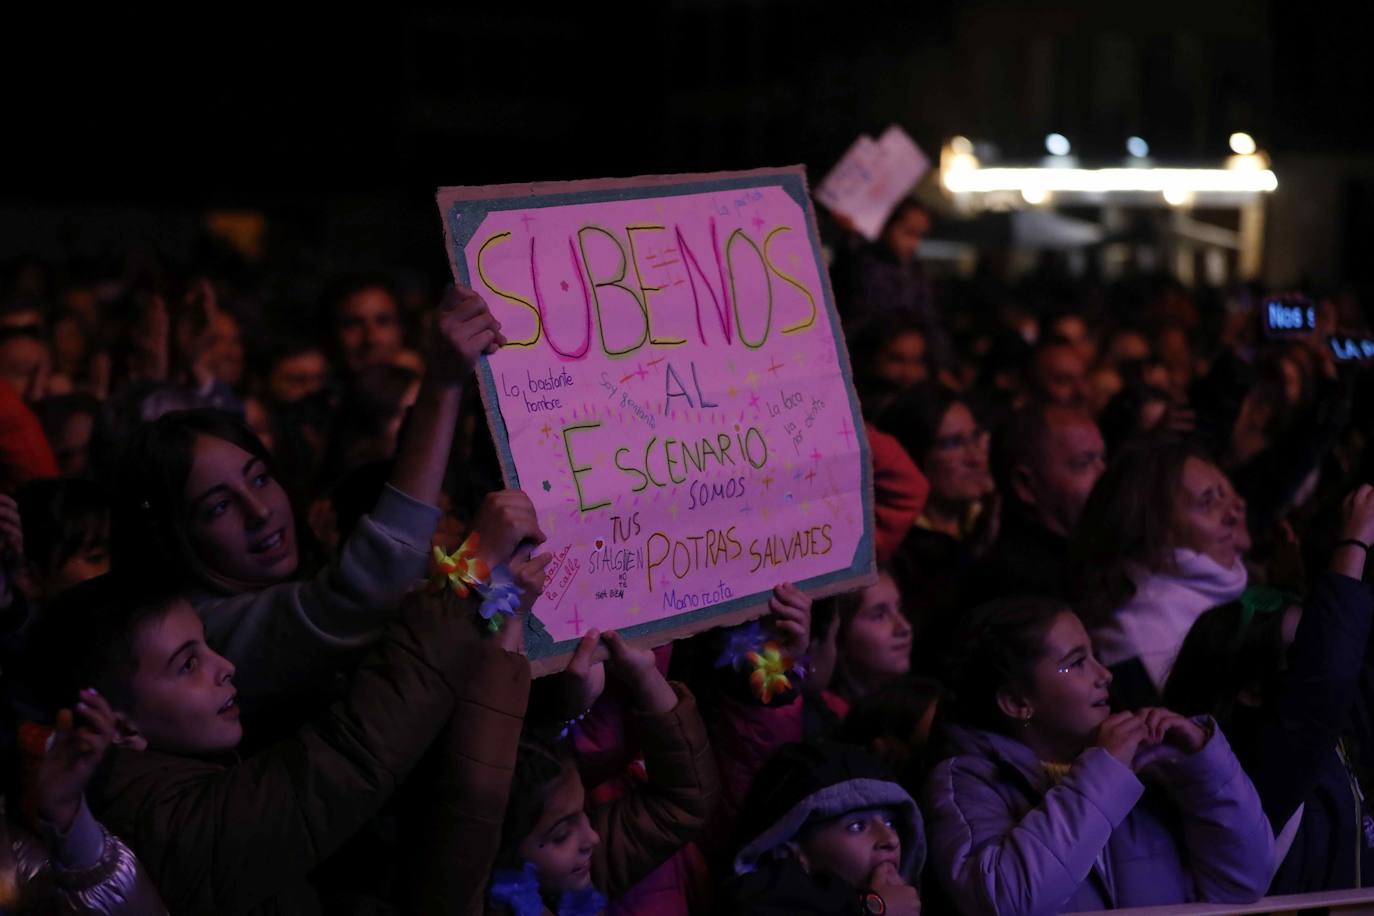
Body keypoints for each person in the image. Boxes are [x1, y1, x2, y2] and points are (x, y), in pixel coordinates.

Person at [108, 286, 536, 725]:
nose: (259, 510)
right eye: (218, 507)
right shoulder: (207, 635)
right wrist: (475, 563)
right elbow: (367, 592)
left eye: (259, 477)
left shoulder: (276, 581)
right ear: (174, 535)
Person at [29, 554, 544, 915]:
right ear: (120, 726)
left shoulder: (180, 780)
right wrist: (473, 578)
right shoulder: (163, 827)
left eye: (208, 646)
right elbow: (344, 762)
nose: (225, 666)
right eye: (187, 664)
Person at [923, 597, 1274, 915]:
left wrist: (1201, 767)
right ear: (1017, 703)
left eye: (1094, 656)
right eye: (1075, 663)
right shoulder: (969, 781)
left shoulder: (1145, 770)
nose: (1104, 675)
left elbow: (1243, 882)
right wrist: (1102, 772)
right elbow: (1007, 900)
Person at [1165, 484, 1374, 894]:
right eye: (1303, 656)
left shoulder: (1339, 732)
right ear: (1250, 689)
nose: (1328, 657)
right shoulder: (1256, 778)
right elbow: (1323, 683)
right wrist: (1354, 543)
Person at [485, 630, 718, 915]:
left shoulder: (573, 876)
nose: (593, 837)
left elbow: (681, 806)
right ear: (502, 851)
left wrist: (646, 678)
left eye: (583, 812)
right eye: (561, 835)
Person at [1071, 442, 1250, 706]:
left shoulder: (1224, 595)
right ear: (1154, 527)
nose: (1234, 512)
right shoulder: (1134, 640)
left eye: (1226, 494)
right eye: (1209, 501)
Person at [722, 742, 925, 916]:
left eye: (890, 823)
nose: (891, 839)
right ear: (793, 852)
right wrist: (874, 907)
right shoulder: (762, 895)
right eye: (857, 826)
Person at [965, 403, 1105, 607]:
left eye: (1102, 459)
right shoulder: (1018, 590)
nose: (1104, 476)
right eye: (1083, 463)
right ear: (1025, 484)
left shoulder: (1088, 556)